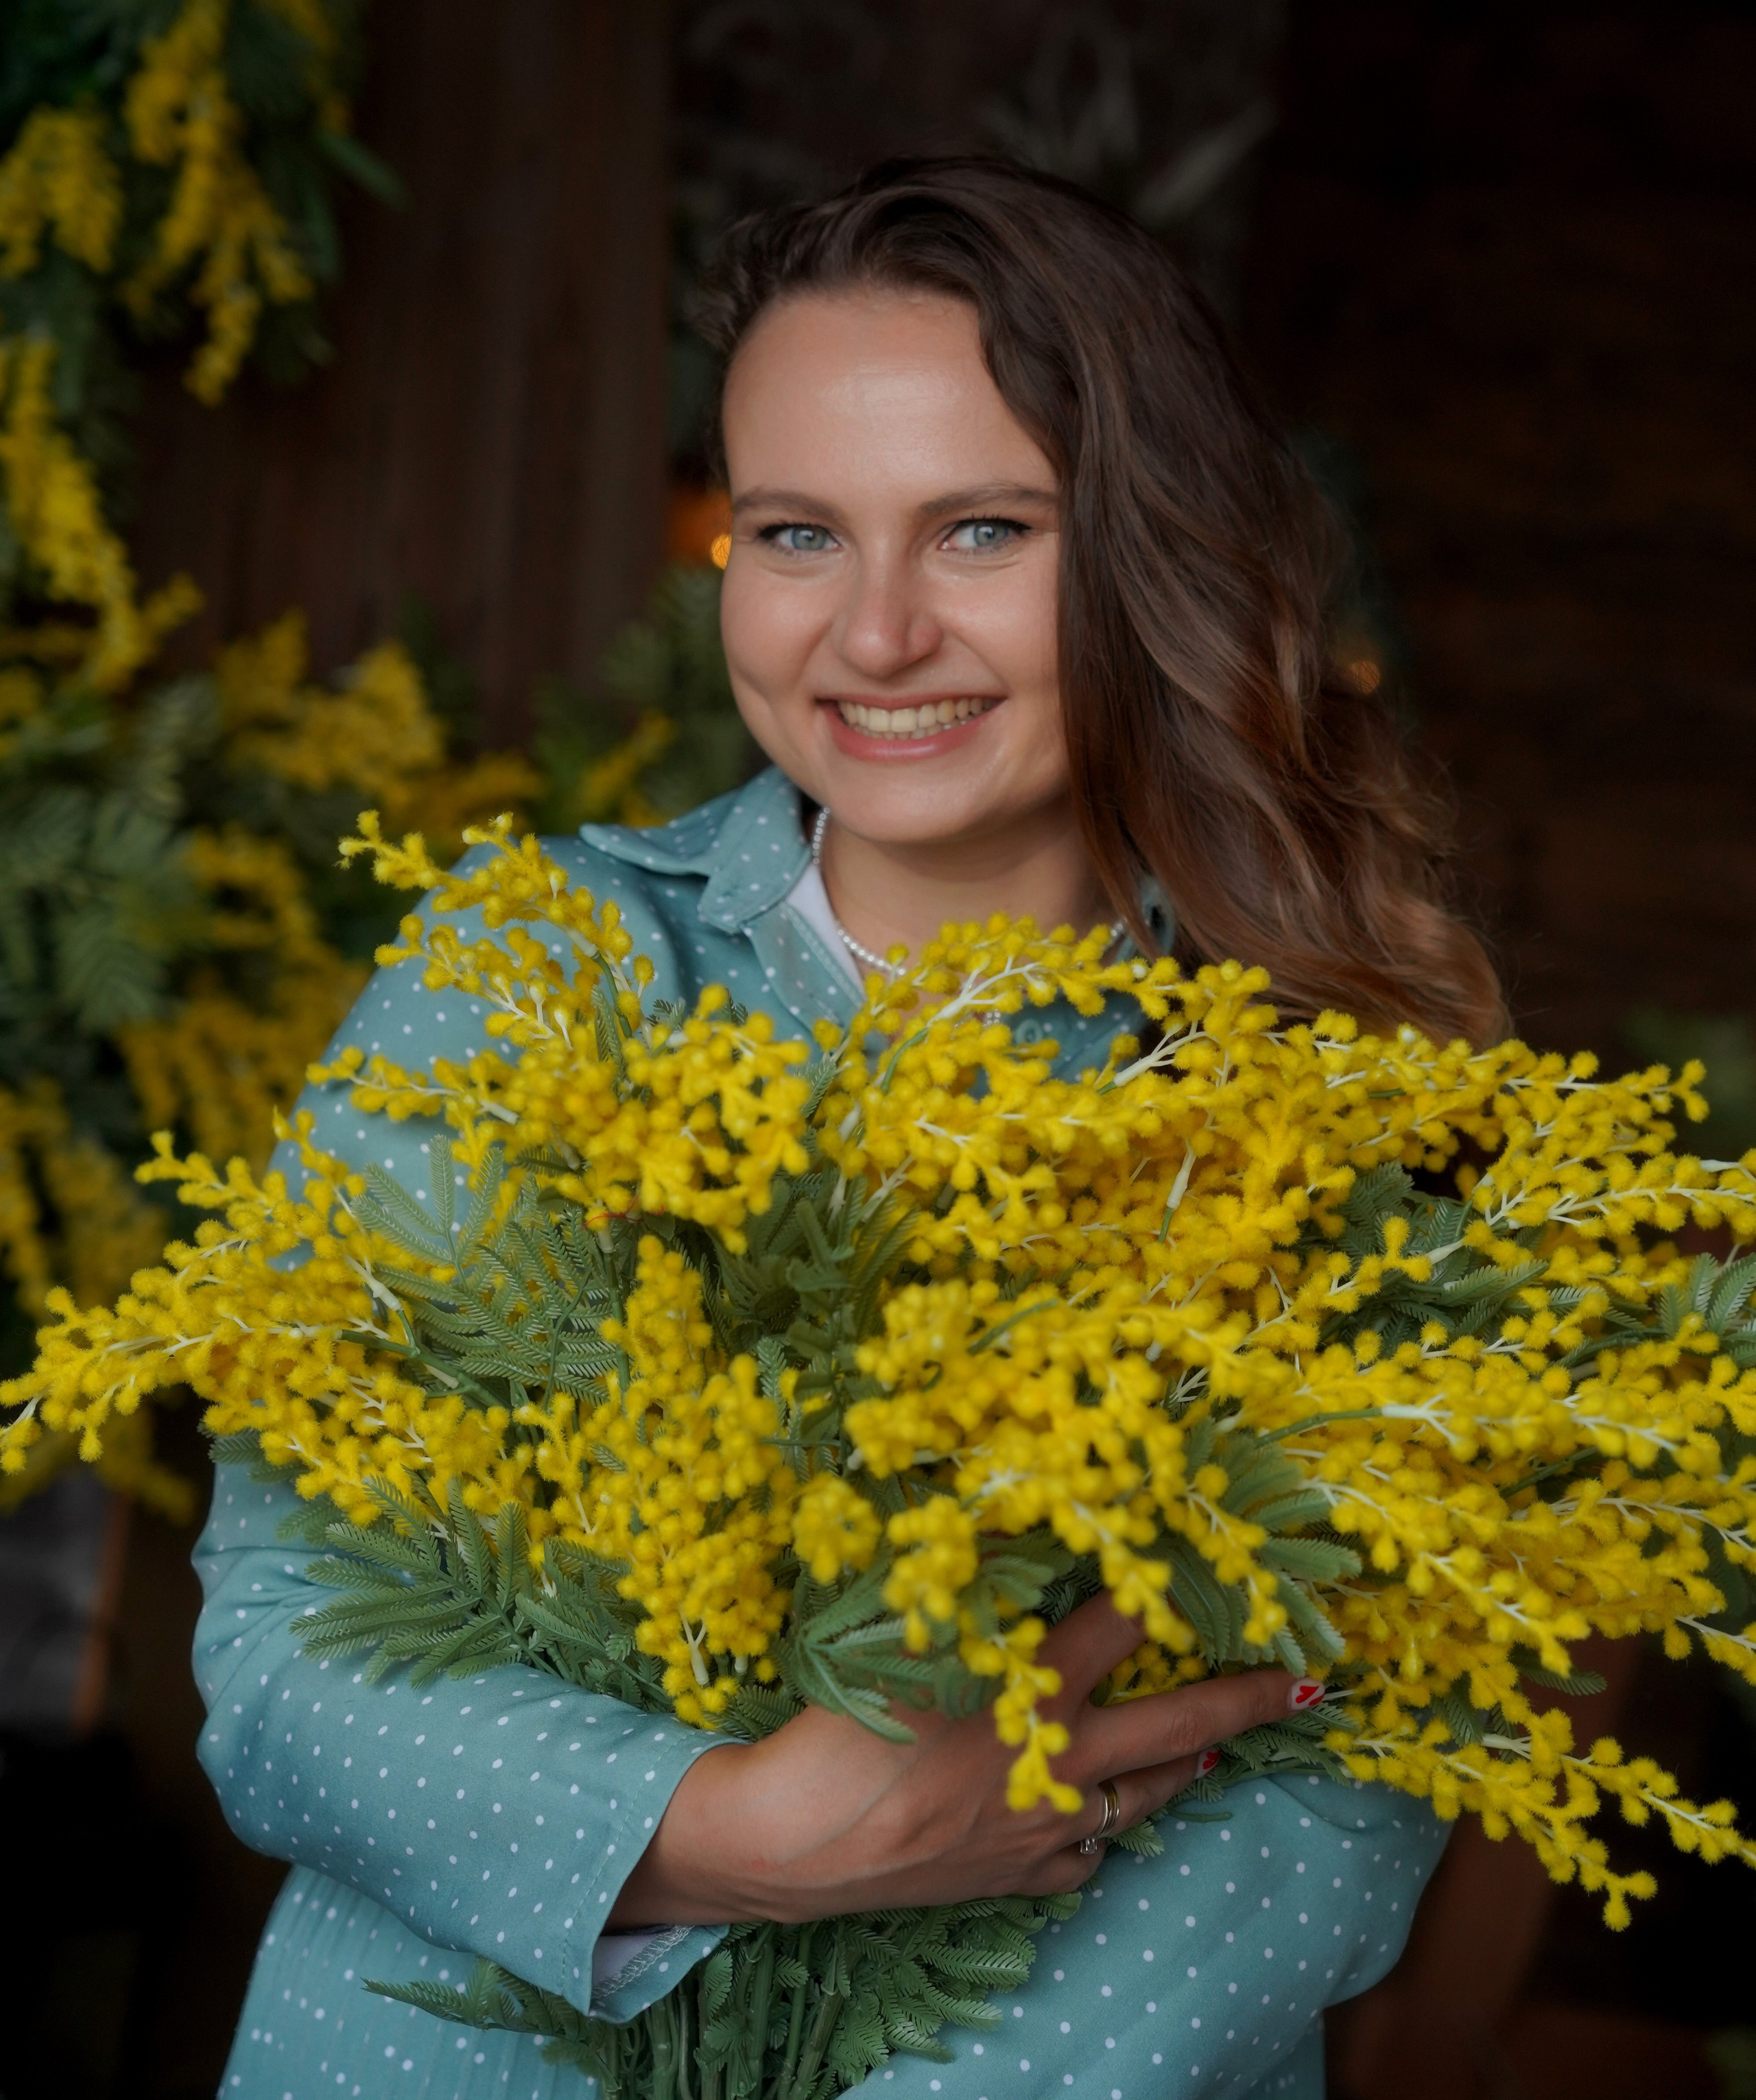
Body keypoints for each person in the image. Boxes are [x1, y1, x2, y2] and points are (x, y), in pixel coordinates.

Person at [198, 157, 1501, 2097]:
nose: (873, 635)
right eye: (799, 533)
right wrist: (743, 1831)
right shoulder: (525, 975)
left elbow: (1326, 1810)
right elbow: (286, 1663)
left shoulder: (1329, 1102)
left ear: (1149, 556)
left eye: (980, 530)